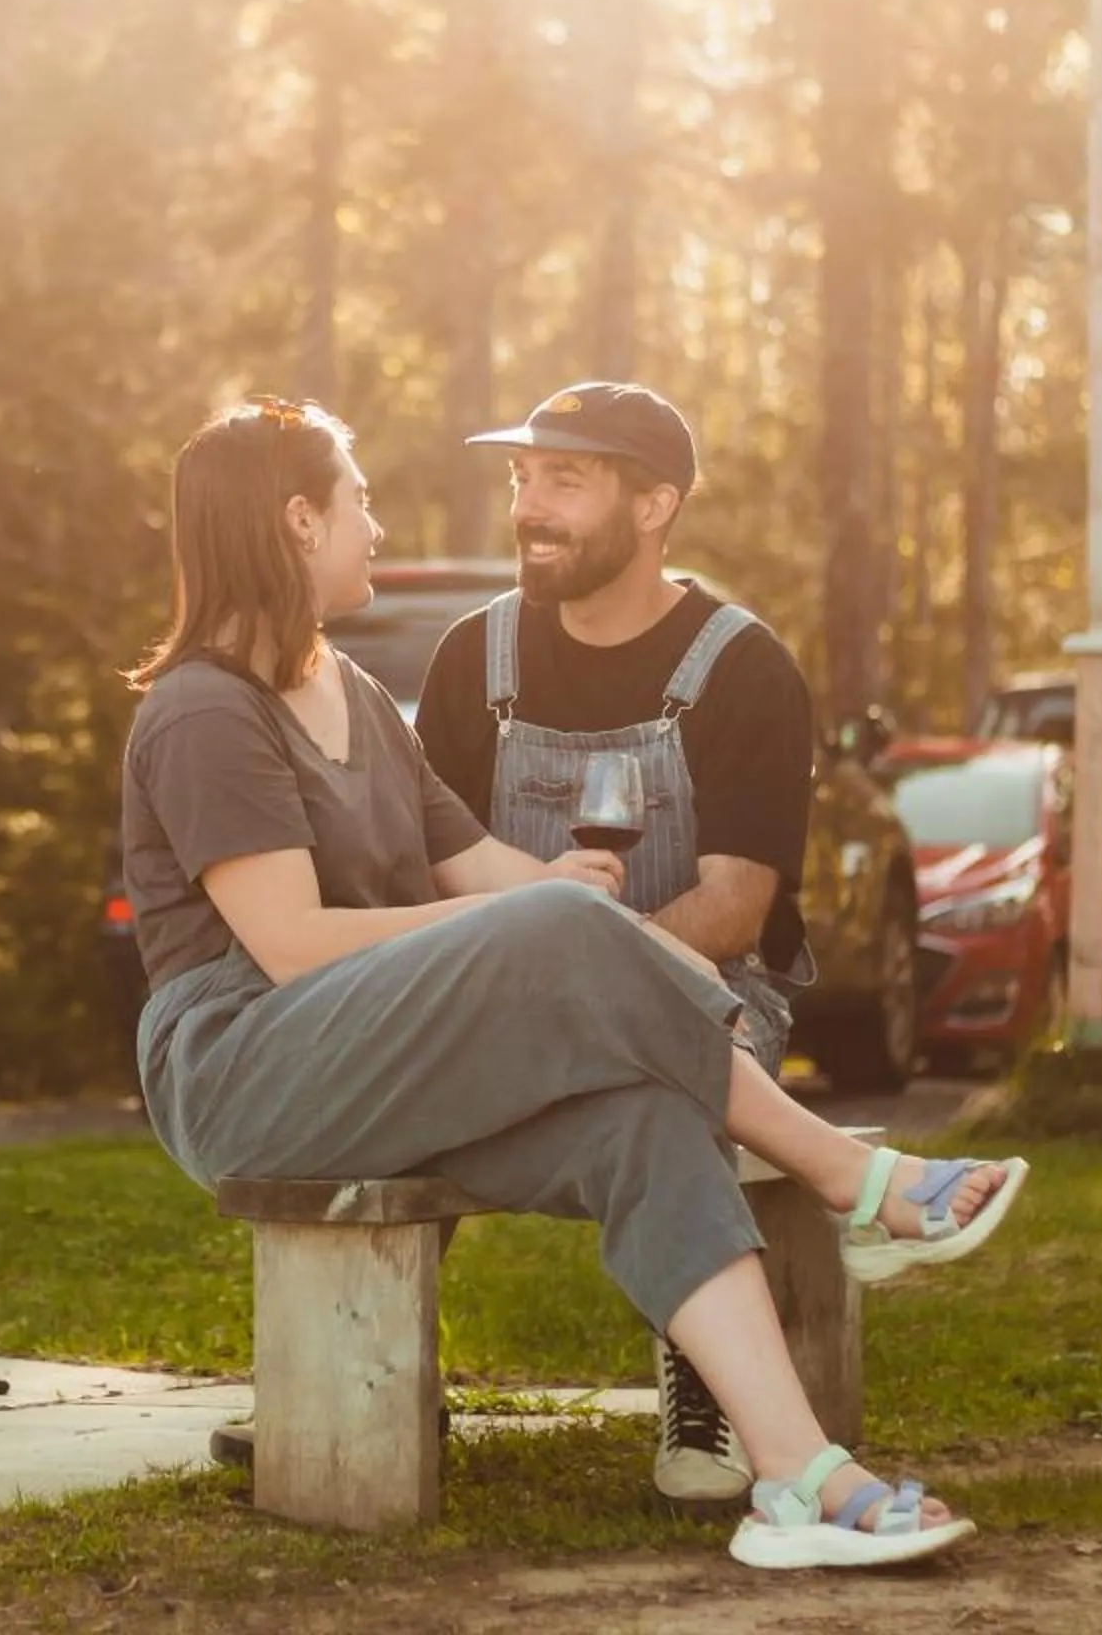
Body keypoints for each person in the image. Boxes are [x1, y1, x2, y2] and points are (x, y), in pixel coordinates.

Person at [122, 396, 1029, 1571]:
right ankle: (850, 1176)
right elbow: (290, 941)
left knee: (642, 1117)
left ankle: (798, 1474)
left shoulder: (352, 691)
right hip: (245, 1068)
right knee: (557, 919)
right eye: (360, 500)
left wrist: (568, 907)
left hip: (371, 1055)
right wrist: (545, 917)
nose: (376, 525)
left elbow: (484, 867)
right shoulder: (202, 709)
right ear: (298, 520)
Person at [412, 381, 813, 1512]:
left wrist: (590, 973)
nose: (529, 505)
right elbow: (422, 867)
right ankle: (372, 1363)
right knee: (397, 1067)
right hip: (502, 983)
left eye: (566, 479)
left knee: (668, 1082)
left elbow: (735, 907)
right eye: (522, 477)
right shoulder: (471, 658)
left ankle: (706, 1387)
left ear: (655, 505)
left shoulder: (743, 667)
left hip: (706, 987)